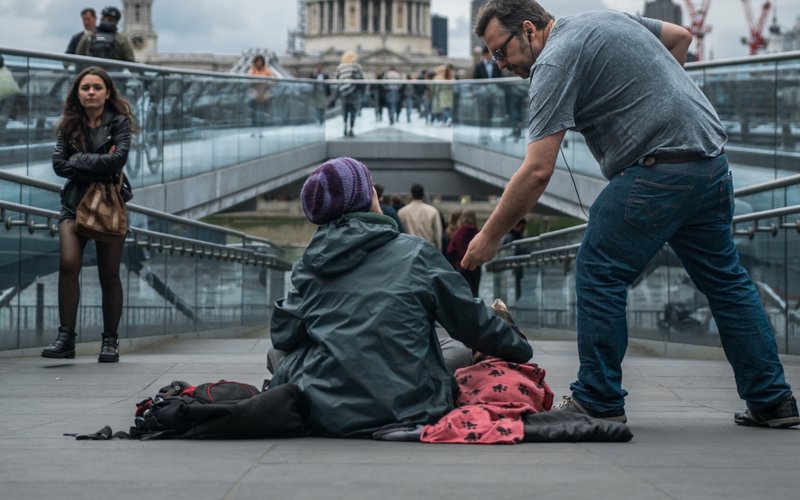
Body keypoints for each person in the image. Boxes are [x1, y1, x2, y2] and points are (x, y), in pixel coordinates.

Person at [464, 0, 799, 428]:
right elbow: (681, 37)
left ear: (529, 29)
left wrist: (490, 237)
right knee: (726, 281)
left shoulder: (552, 62)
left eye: (500, 50)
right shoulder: (603, 19)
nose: (498, 64)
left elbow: (537, 169)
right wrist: (651, 100)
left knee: (599, 270)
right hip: (710, 163)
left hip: (657, 169)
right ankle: (772, 401)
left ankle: (598, 400)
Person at [267, 157, 532, 438]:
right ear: (369, 197)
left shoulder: (309, 264)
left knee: (276, 354)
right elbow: (471, 321)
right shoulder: (417, 252)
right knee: (457, 348)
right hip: (413, 405)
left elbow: (283, 337)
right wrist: (520, 349)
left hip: (326, 410)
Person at [42, 66, 137, 363]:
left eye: (97, 87)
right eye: (86, 88)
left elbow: (118, 160)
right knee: (69, 264)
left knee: (109, 274)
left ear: (107, 92)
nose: (91, 92)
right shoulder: (68, 125)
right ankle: (66, 337)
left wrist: (79, 159)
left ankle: (110, 342)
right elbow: (59, 165)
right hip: (73, 202)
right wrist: (98, 161)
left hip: (109, 204)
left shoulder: (119, 123)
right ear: (78, 93)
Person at [397, 183, 443, 251]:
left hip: (408, 249)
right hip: (427, 249)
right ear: (423, 194)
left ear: (411, 194)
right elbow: (438, 234)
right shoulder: (433, 211)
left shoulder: (401, 212)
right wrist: (439, 250)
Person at [447, 210, 482, 297]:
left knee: (463, 293)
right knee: (475, 292)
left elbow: (450, 251)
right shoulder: (479, 233)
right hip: (476, 267)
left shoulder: (457, 234)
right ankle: (476, 309)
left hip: (462, 266)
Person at [335, 50, 364, 137]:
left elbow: (337, 78)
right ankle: (351, 128)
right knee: (353, 111)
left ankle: (345, 126)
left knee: (345, 110)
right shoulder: (356, 66)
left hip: (343, 92)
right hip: (354, 92)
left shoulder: (340, 67)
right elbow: (361, 79)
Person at [501, 218, 527, 301]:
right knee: (514, 292)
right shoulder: (512, 238)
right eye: (521, 228)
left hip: (515, 269)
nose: (522, 230)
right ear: (516, 226)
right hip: (513, 270)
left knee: (514, 292)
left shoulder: (512, 237)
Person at [247, 55, 274, 128]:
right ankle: (254, 124)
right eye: (257, 61)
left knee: (264, 110)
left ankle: (264, 123)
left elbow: (272, 81)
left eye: (260, 62)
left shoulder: (267, 71)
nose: (259, 63)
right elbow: (249, 81)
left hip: (264, 92)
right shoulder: (252, 70)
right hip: (255, 92)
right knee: (254, 110)